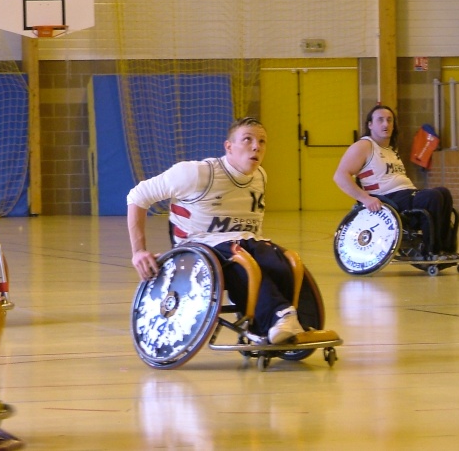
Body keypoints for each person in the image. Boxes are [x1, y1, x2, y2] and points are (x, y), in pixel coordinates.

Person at [128, 116, 336, 345]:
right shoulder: (196, 174)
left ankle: (270, 324)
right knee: (241, 257)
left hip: (243, 243)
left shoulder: (260, 177)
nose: (256, 146)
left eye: (262, 141)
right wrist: (139, 251)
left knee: (282, 259)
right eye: (248, 140)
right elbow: (137, 196)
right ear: (229, 147)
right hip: (197, 248)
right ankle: (280, 316)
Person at [333, 104, 457, 256]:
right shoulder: (364, 146)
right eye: (380, 120)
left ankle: (447, 248)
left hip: (406, 195)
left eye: (389, 120)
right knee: (433, 197)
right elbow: (340, 176)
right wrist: (365, 198)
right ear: (370, 125)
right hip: (388, 199)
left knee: (443, 193)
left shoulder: (391, 150)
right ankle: (431, 250)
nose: (386, 124)